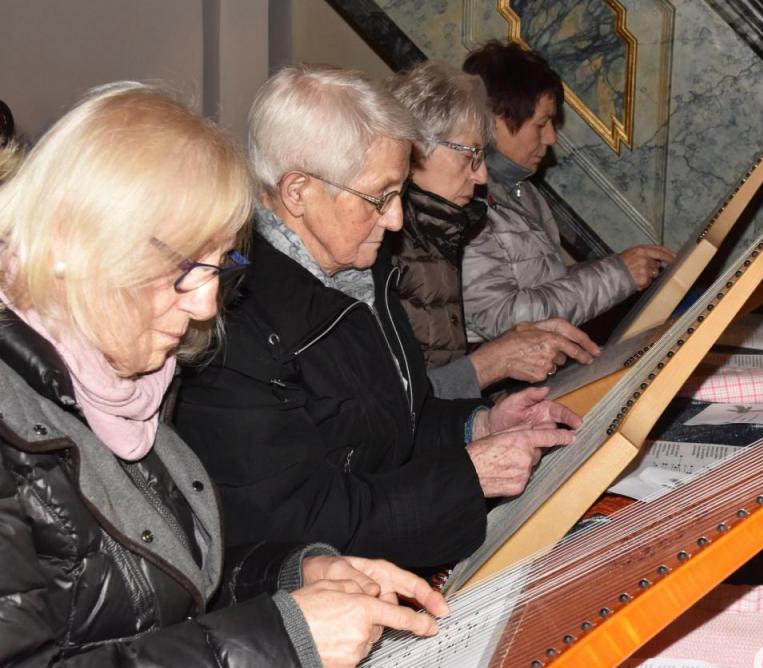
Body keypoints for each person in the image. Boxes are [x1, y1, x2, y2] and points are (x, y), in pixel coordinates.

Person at [0, 83, 449, 668]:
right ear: (71, 245)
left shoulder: (126, 384)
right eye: (184, 270)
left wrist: (293, 577)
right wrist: (279, 641)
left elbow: (172, 595)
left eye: (219, 268)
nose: (206, 305)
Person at [174, 66, 579, 571]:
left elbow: (396, 424)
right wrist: (468, 476)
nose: (396, 219)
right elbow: (296, 527)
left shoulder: (359, 267)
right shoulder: (232, 321)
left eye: (399, 192)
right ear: (297, 191)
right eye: (379, 197)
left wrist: (478, 425)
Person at [388, 61, 602, 399]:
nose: (482, 176)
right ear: (416, 148)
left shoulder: (443, 232)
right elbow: (392, 406)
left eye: (482, 156)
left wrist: (511, 347)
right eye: (470, 156)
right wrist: (496, 361)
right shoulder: (387, 245)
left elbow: (440, 374)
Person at [461, 41, 678, 342]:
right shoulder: (464, 200)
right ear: (495, 120)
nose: (551, 137)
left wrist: (619, 267)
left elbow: (549, 285)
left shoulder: (524, 190)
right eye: (541, 124)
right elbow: (500, 318)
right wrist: (616, 275)